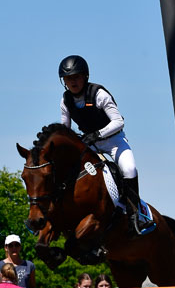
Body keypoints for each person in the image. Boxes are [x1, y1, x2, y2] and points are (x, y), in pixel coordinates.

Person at [58, 55, 152, 235]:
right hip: (90, 144)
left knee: (129, 169)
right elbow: (65, 130)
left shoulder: (99, 94)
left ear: (85, 76)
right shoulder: (65, 101)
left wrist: (97, 134)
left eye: (76, 77)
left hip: (114, 141)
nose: (73, 82)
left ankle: (136, 216)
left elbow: (118, 121)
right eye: (68, 79)